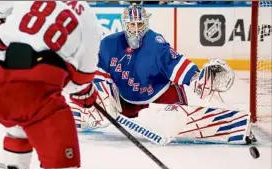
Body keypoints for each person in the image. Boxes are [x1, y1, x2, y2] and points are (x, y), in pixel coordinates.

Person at [70, 4, 256, 144]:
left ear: (147, 23)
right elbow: (95, 69)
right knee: (96, 97)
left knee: (176, 120)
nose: (136, 28)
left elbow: (175, 64)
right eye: (132, 23)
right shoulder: (109, 44)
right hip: (125, 100)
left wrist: (196, 78)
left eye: (140, 23)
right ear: (124, 24)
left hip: (158, 96)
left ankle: (231, 127)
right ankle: (85, 115)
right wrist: (103, 94)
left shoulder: (156, 44)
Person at [0, 1, 101, 169]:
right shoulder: (88, 18)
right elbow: (81, 79)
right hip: (35, 88)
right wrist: (86, 95)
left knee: (19, 124)